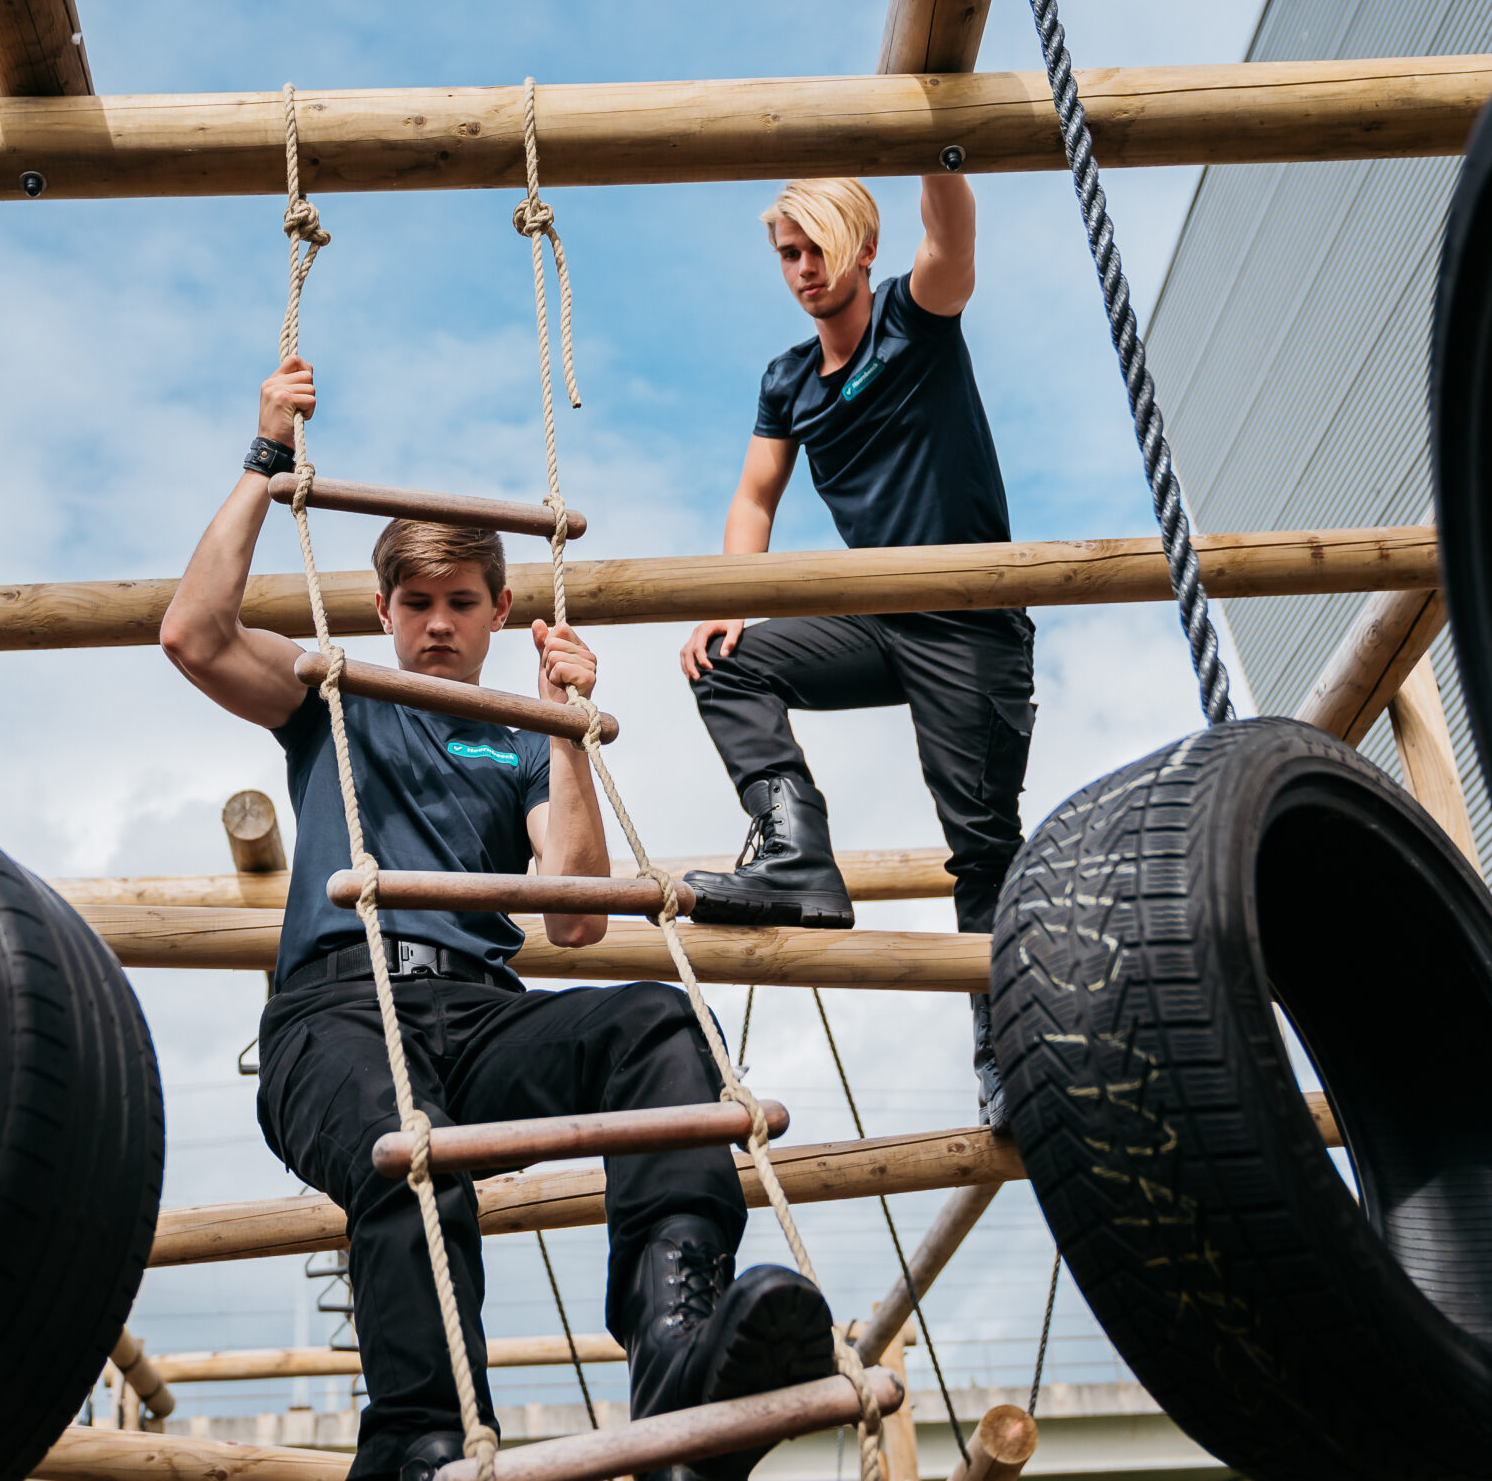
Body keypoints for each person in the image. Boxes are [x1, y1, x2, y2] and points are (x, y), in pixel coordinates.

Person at [161, 355, 840, 1481]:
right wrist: (266, 460)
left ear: (498, 612)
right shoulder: (334, 693)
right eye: (416, 605)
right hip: (336, 1016)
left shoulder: (518, 736)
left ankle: (677, 1352)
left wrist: (567, 723)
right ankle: (425, 1439)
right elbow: (193, 633)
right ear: (383, 611)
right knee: (406, 1144)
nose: (436, 626)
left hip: (476, 1011)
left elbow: (573, 913)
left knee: (659, 1026)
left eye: (460, 605)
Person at [676, 176, 1034, 1129]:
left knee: (985, 855)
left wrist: (935, 148)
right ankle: (797, 854)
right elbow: (754, 501)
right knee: (727, 661)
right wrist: (730, 604)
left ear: (862, 249)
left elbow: (950, 237)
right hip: (878, 621)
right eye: (786, 256)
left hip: (968, 624)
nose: (800, 272)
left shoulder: (913, 323)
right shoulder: (787, 379)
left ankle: (1010, 1054)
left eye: (815, 250)